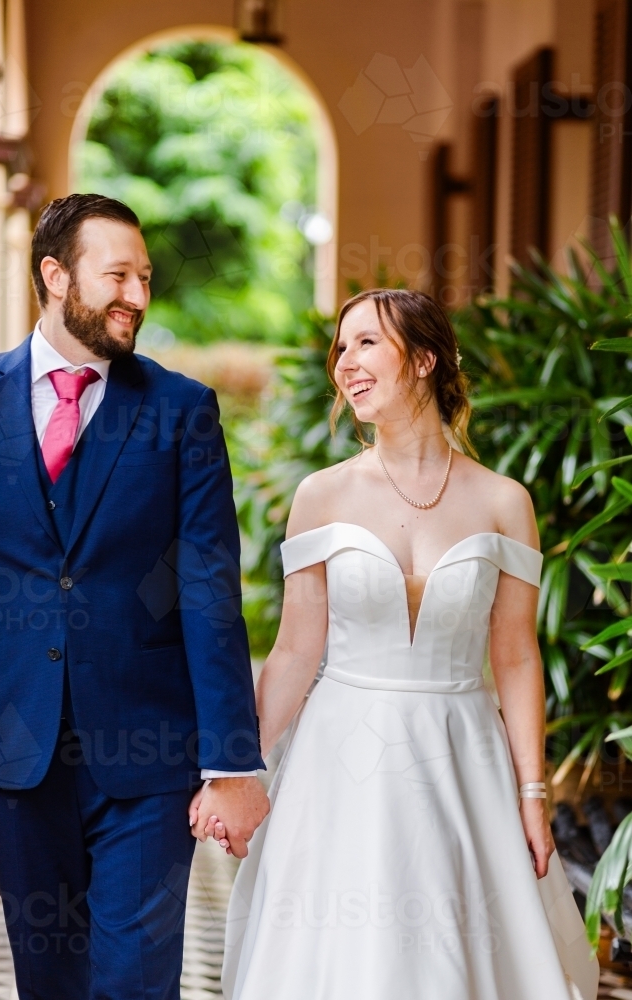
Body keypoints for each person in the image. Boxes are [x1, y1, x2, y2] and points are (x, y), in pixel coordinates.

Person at [219, 289, 599, 1000]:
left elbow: (515, 658)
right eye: (341, 347)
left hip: (463, 756)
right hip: (339, 760)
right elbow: (296, 652)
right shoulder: (320, 497)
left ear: (424, 359)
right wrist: (238, 770)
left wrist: (531, 792)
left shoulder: (502, 501)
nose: (344, 363)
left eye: (366, 343)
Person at [0, 193, 269, 1000]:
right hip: (4, 750)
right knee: (50, 973)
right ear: (55, 275)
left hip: (147, 755)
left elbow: (208, 589)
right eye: (118, 275)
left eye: (145, 277)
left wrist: (232, 761)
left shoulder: (181, 412)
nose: (137, 294)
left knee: (135, 978)